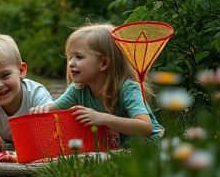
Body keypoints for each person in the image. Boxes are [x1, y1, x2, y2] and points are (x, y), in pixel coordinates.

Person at [30, 23, 164, 145]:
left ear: (103, 63)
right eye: (70, 57)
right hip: (120, 149)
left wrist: (103, 118)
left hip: (149, 147)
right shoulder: (78, 89)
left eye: (79, 57)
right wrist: (41, 110)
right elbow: (54, 109)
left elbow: (145, 127)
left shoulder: (127, 88)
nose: (71, 63)